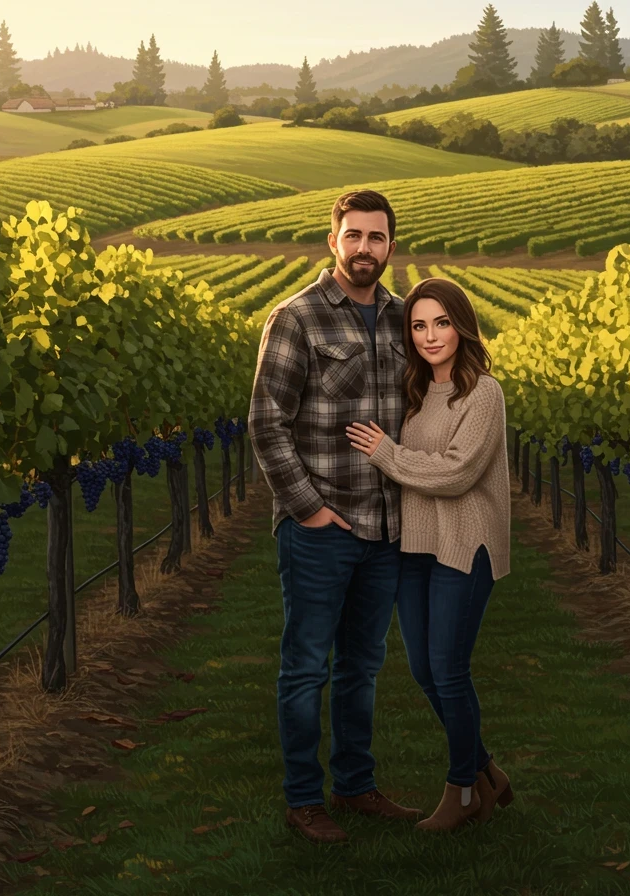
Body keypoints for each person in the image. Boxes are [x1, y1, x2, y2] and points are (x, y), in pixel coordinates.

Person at [248, 189, 422, 845]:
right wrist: (310, 511)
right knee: (305, 668)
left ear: (390, 247)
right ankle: (303, 800)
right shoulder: (296, 319)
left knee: (362, 667)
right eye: (354, 236)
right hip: (322, 530)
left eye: (377, 238)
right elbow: (267, 425)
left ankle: (354, 787)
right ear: (333, 241)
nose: (365, 249)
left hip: (387, 530)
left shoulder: (407, 320)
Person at [345, 277, 513, 832]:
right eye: (418, 325)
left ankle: (462, 791)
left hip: (464, 545)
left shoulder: (483, 392)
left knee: (449, 669)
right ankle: (485, 767)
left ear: (461, 325)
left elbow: (458, 472)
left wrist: (388, 455)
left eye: (441, 322)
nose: (430, 335)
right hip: (415, 544)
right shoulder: (415, 392)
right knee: (422, 669)